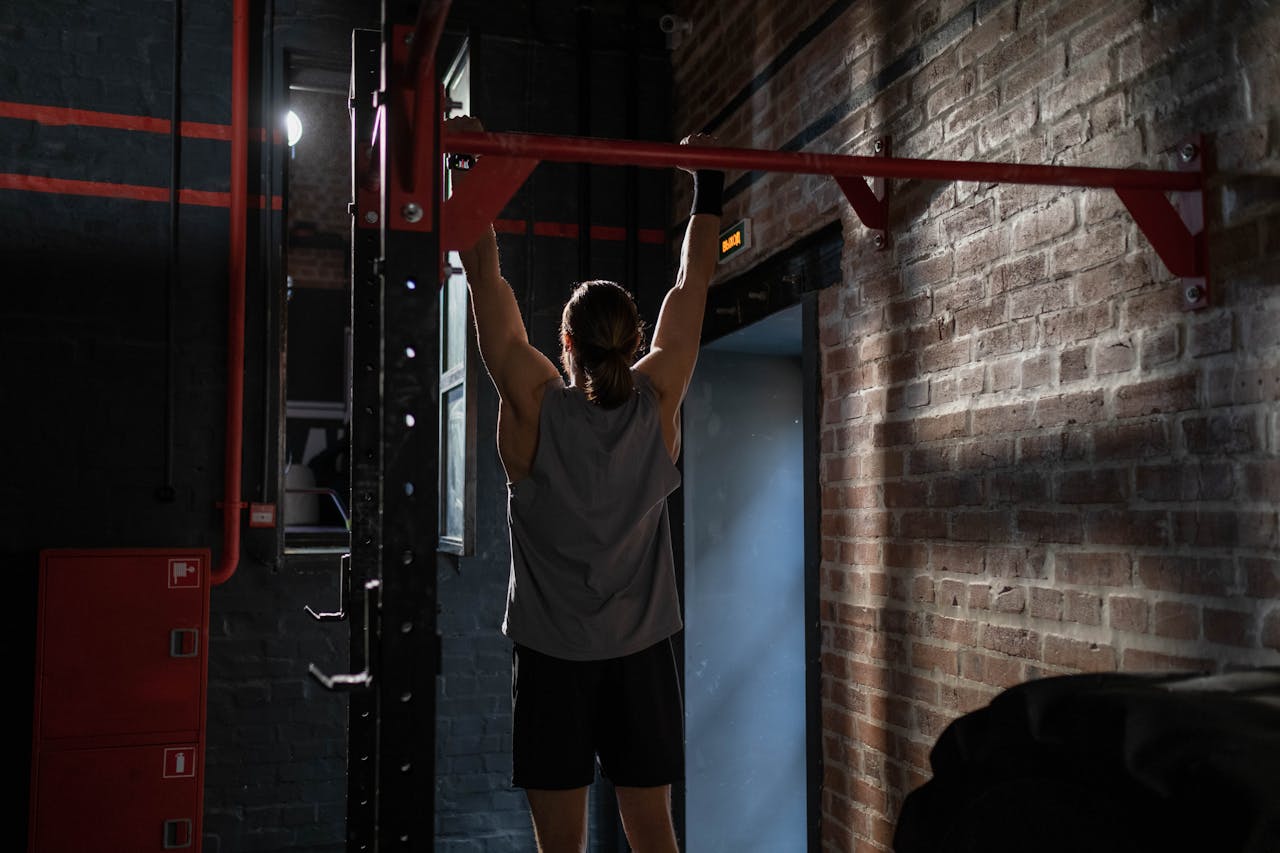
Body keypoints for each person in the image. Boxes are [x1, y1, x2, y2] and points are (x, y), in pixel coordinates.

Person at [449, 116, 722, 853]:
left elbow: (486, 282)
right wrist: (711, 182)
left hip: (552, 662)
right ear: (635, 344)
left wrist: (466, 166)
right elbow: (693, 281)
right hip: (641, 657)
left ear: (564, 343)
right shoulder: (657, 403)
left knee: (560, 846)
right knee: (653, 832)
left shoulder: (533, 408)